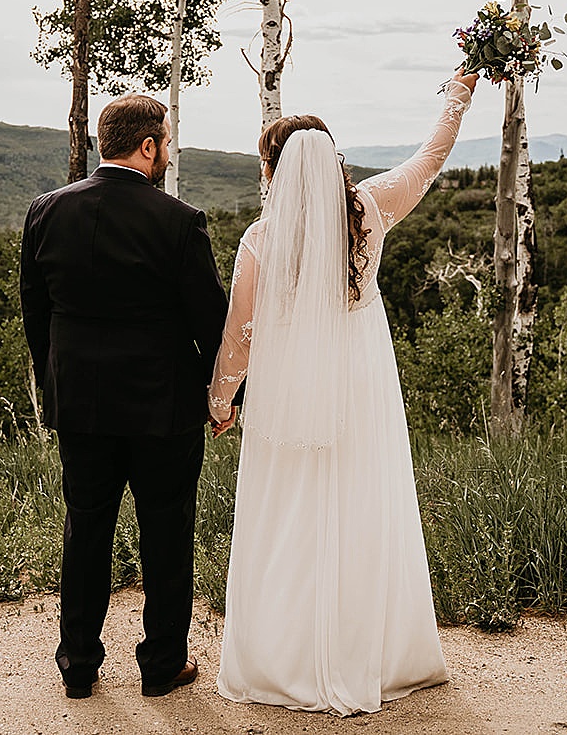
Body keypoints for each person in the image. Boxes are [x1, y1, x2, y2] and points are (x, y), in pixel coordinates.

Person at [207, 69, 478, 715]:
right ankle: (374, 654)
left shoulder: (260, 239)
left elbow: (240, 337)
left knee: (289, 513)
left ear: (273, 171)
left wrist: (220, 403)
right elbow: (431, 157)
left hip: (285, 395)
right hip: (361, 386)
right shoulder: (372, 209)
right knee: (360, 508)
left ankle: (285, 657)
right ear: (333, 161)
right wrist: (458, 94)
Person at [20, 94, 229, 700]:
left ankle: (78, 665)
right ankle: (162, 665)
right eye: (166, 141)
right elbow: (211, 325)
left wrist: (54, 379)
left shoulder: (45, 212)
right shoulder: (180, 221)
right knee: (166, 533)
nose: (167, 152)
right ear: (148, 146)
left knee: (86, 528)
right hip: (162, 410)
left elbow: (37, 314)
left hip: (80, 405)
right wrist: (221, 398)